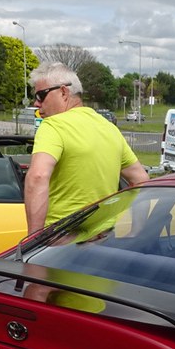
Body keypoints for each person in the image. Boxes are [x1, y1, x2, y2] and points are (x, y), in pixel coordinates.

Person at [23, 62, 149, 234]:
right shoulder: (109, 128)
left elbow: (37, 177)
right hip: (103, 240)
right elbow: (141, 180)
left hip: (61, 241)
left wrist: (34, 240)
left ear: (63, 92)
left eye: (41, 95)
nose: (36, 103)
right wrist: (137, 232)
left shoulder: (53, 126)